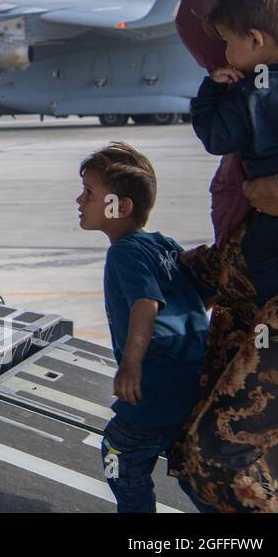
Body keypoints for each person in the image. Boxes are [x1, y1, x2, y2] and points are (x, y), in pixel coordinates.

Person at [170, 0, 278, 512]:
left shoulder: (254, 96)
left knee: (218, 455)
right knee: (196, 454)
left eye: (224, 46)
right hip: (263, 298)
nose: (222, 60)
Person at [76, 143, 210, 513]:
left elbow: (145, 304)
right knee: (189, 464)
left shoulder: (124, 252)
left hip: (158, 376)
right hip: (190, 370)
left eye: (90, 193)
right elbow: (197, 296)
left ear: (122, 206)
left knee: (120, 449)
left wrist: (131, 364)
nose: (79, 199)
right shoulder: (162, 245)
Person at [188, 0, 278, 299]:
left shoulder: (250, 93)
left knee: (256, 256)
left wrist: (210, 94)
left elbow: (216, 140)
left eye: (227, 42)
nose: (225, 53)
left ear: (255, 40)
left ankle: (272, 306)